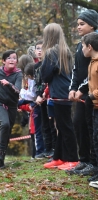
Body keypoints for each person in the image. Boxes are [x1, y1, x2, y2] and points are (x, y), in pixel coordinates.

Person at [40, 23, 79, 170]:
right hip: (65, 92)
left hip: (59, 95)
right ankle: (59, 157)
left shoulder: (50, 53)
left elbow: (45, 76)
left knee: (65, 127)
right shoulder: (65, 51)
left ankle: (73, 159)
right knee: (62, 126)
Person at [67, 9, 98, 176]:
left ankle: (93, 163)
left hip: (91, 93)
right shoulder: (80, 44)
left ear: (92, 25)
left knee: (90, 128)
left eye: (82, 24)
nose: (78, 27)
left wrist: (81, 89)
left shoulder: (95, 43)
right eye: (77, 24)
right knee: (78, 123)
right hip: (79, 93)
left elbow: (92, 71)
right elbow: (76, 69)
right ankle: (84, 159)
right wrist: (72, 88)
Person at [0, 50, 23, 169]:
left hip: (12, 105)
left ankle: (1, 158)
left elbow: (18, 90)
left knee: (8, 131)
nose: (12, 60)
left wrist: (8, 84)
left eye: (14, 58)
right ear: (3, 61)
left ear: (17, 61)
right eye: (9, 58)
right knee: (5, 124)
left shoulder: (18, 74)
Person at [78, 33, 98, 185]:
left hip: (96, 104)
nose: (82, 49)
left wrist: (92, 96)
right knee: (94, 139)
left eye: (83, 46)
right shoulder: (92, 62)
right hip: (94, 107)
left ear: (90, 47)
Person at [34, 40, 57, 159]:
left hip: (49, 98)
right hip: (40, 99)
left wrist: (44, 94)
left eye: (42, 48)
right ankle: (47, 149)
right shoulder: (36, 67)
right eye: (37, 48)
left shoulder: (49, 64)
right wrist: (38, 95)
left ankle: (54, 149)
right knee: (44, 125)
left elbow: (48, 81)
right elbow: (36, 83)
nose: (39, 51)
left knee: (52, 124)